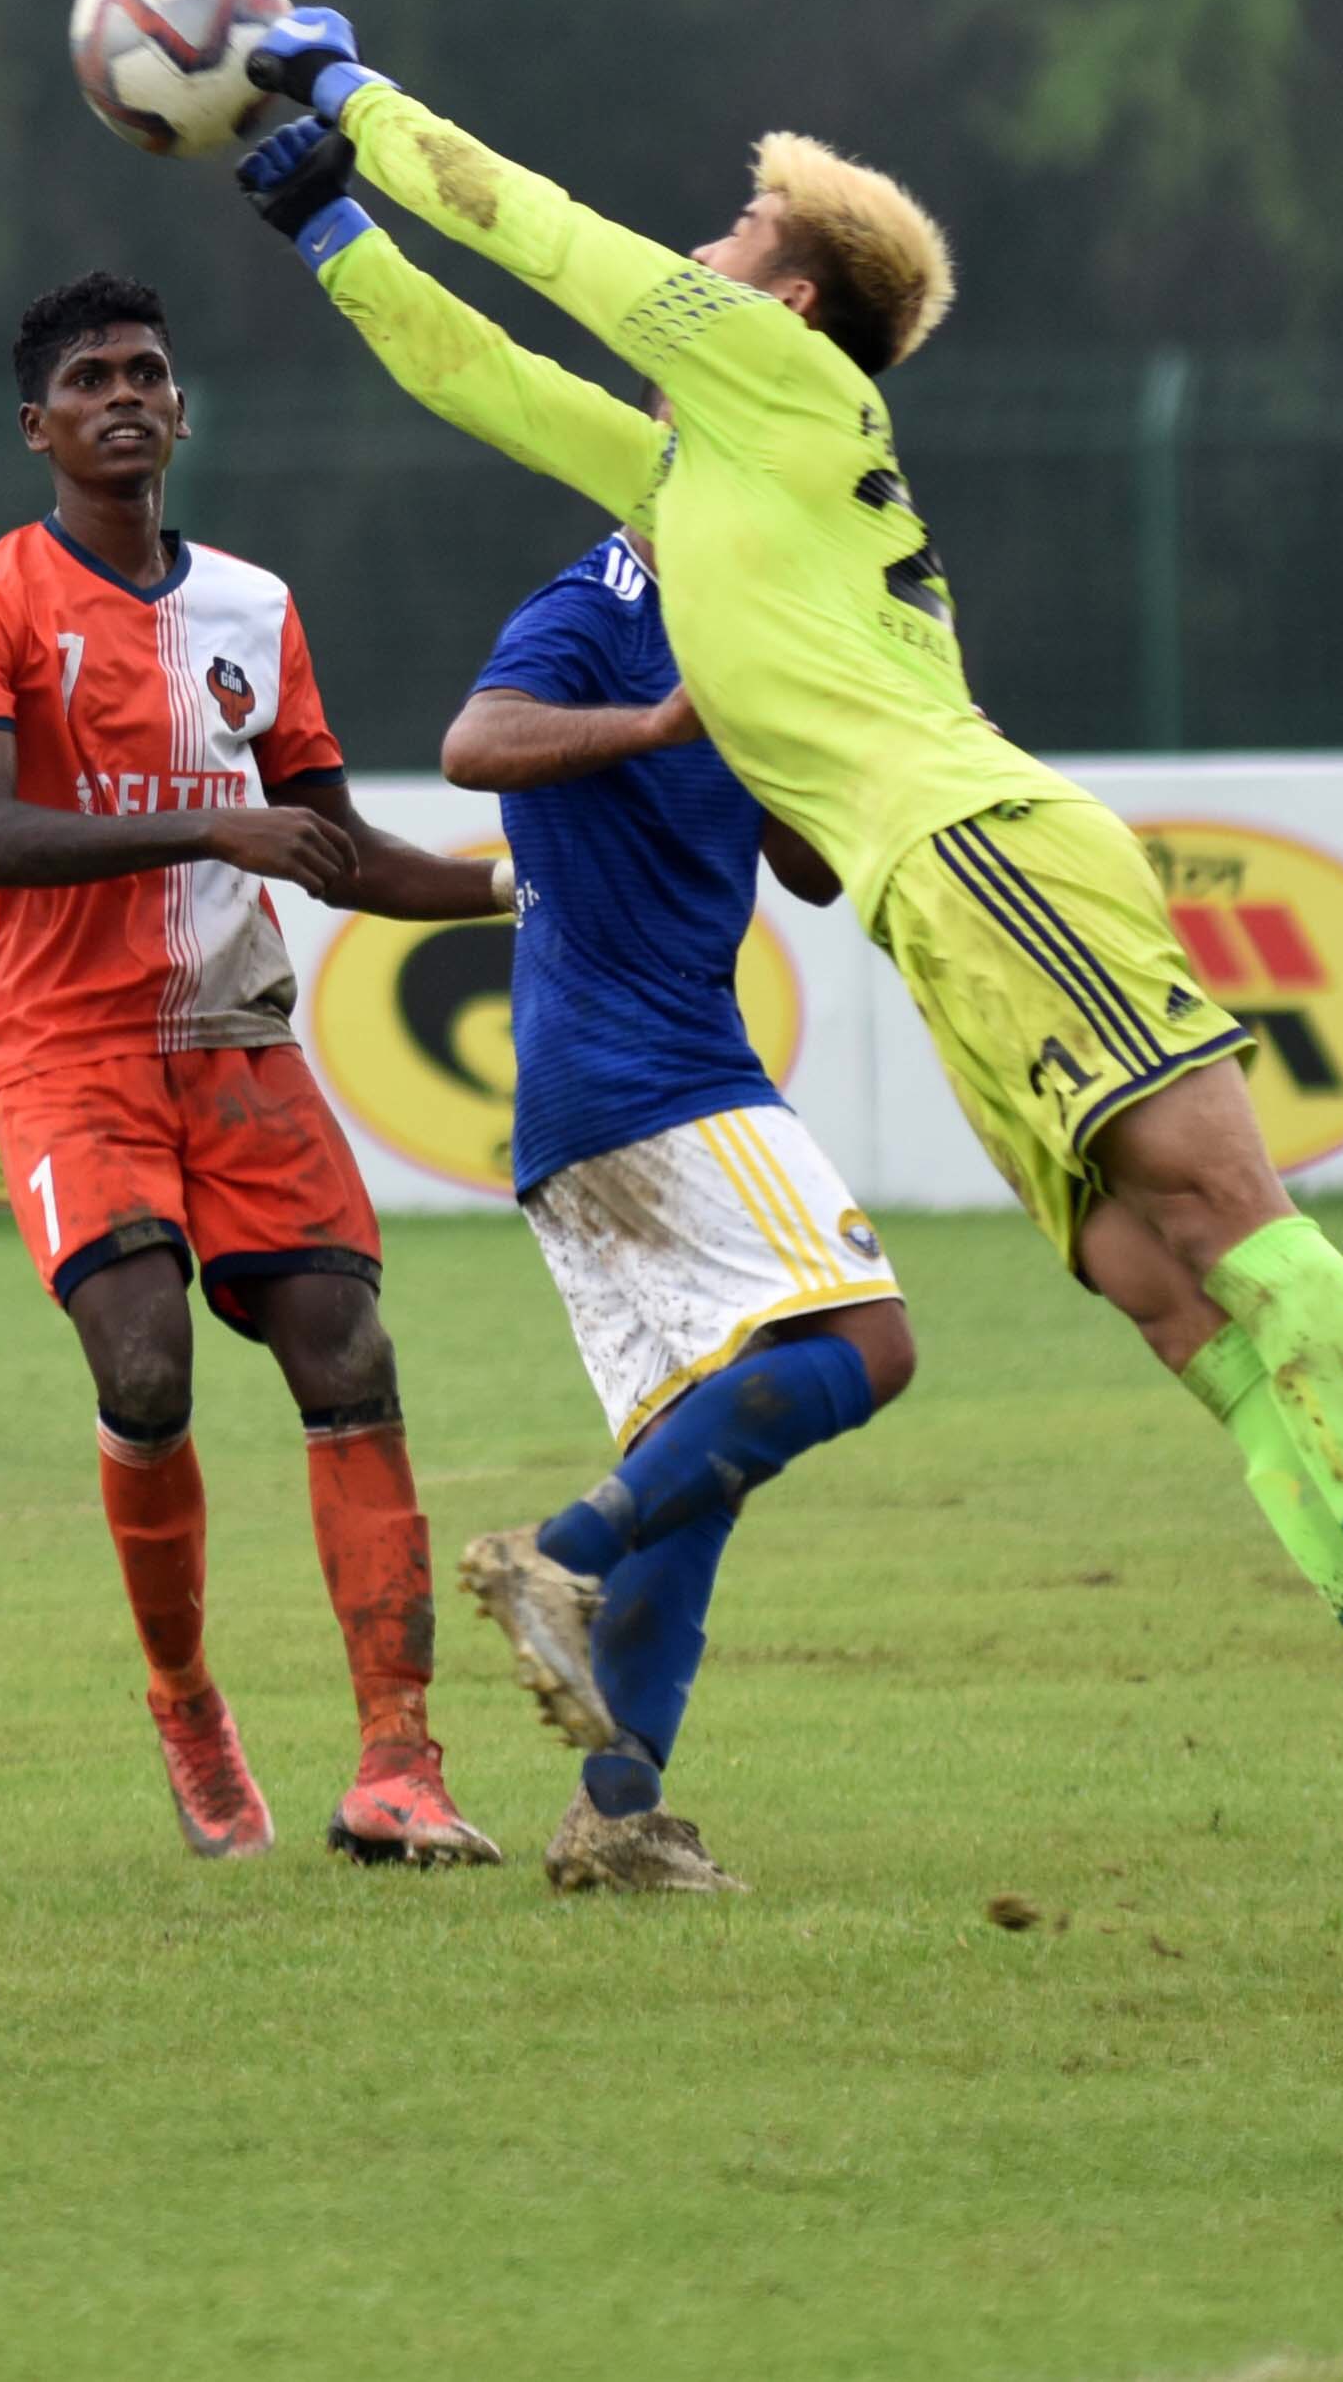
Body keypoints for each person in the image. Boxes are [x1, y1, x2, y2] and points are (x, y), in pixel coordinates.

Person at [229, 23, 1343, 1938]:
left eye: (742, 221)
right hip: (933, 899)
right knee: (1160, 1290)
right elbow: (489, 369)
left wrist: (352, 98)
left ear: (790, 290)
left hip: (985, 842)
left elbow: (551, 241)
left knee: (1222, 1206)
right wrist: (334, 235)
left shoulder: (771, 377)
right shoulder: (710, 468)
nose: (709, 236)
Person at [0, 270, 513, 1868]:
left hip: (237, 1040)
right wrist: (211, 822)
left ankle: (400, 1761)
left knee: (347, 1348)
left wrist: (527, 884)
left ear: (181, 410)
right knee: (145, 1369)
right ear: (37, 424)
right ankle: (187, 1700)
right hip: (70, 1048)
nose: (125, 393)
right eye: (92, 375)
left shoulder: (254, 605)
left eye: (150, 372)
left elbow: (340, 851)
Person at [430, 520, 916, 1894]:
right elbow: (474, 742)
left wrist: (821, 711)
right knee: (872, 1343)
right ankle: (554, 1557)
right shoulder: (602, 595)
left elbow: (813, 867)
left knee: (691, 1474)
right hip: (654, 1070)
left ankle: (618, 1812)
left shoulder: (745, 598)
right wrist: (650, 719)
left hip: (585, 1103)